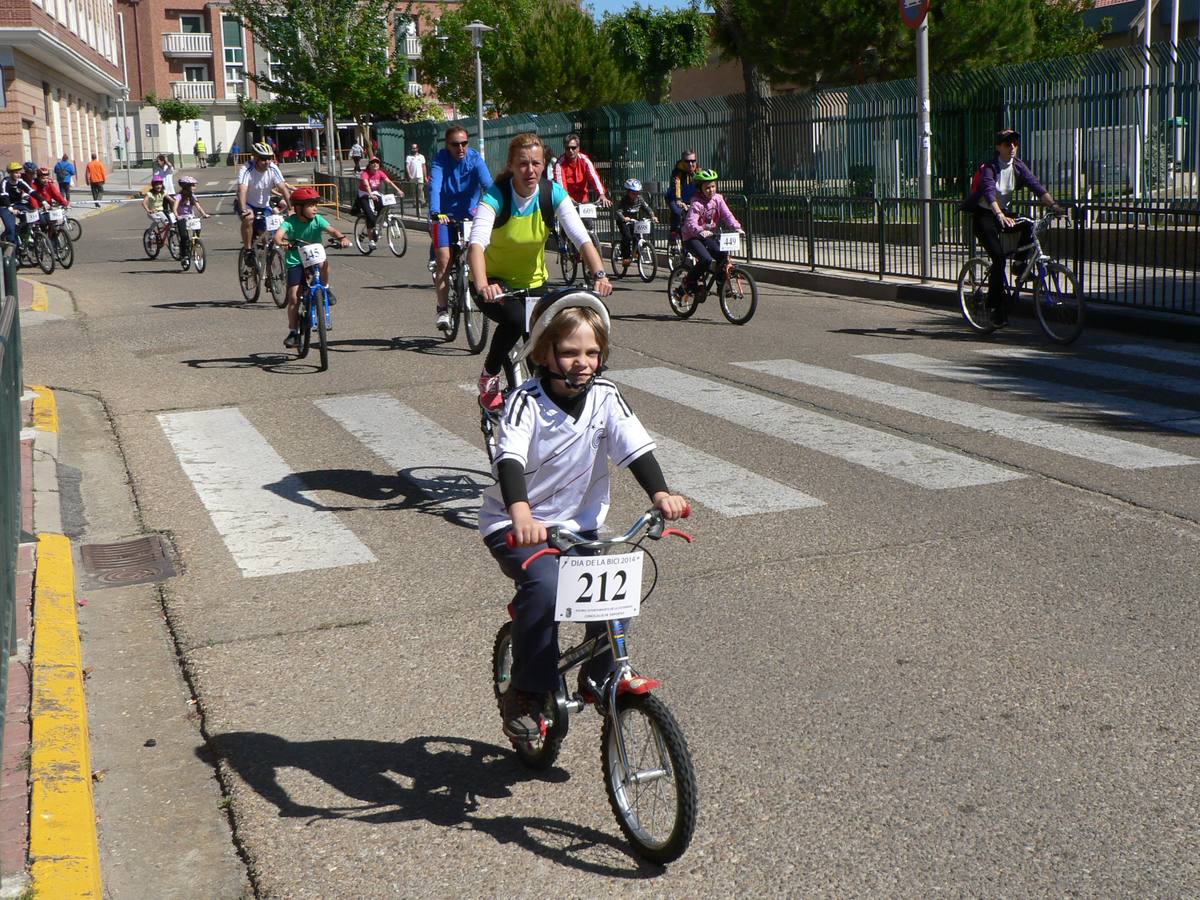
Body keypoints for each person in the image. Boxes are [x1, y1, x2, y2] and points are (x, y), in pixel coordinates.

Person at [479, 291, 689, 741]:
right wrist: (519, 512)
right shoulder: (525, 402)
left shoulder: (607, 396)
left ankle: (600, 676)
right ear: (543, 353)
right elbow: (510, 460)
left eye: (592, 352)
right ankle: (526, 691)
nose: (583, 362)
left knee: (615, 577)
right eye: (570, 352)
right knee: (547, 586)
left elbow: (635, 448)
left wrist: (661, 493)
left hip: (577, 525)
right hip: (517, 525)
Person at [468, 132, 611, 412]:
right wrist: (484, 284)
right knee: (515, 319)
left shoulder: (551, 193)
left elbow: (580, 237)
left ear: (544, 164)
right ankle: (489, 375)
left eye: (536, 163)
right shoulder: (497, 196)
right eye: (523, 164)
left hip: (534, 283)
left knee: (545, 349)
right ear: (510, 165)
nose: (530, 170)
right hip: (495, 283)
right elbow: (477, 243)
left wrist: (599, 274)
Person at [964, 129, 1063, 327]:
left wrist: (1054, 206)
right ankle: (994, 308)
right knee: (999, 258)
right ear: (998, 147)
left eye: (1015, 143)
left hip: (1003, 213)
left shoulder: (1018, 166)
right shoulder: (990, 168)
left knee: (1029, 225)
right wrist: (999, 214)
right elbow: (989, 192)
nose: (1012, 147)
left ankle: (1019, 265)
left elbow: (1036, 186)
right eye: (1007, 144)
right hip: (985, 215)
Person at [430, 125, 493, 333]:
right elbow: (435, 186)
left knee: (480, 252)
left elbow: (488, 184)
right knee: (444, 261)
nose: (460, 148)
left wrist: (496, 205)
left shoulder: (474, 159)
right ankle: (442, 310)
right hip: (444, 216)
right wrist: (436, 211)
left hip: (470, 216)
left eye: (464, 143)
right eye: (455, 144)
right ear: (447, 146)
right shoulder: (440, 160)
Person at [274, 186, 349, 349]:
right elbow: (278, 236)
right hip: (296, 260)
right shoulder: (290, 222)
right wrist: (283, 242)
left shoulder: (318, 220)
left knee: (324, 264)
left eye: (316, 204)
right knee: (294, 296)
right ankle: (293, 332)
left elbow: (332, 230)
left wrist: (342, 238)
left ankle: (326, 289)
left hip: (314, 257)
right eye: (310, 205)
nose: (315, 208)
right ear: (299, 208)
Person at [676, 169, 742, 302]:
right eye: (707, 188)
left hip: (707, 235)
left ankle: (720, 284)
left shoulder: (718, 199)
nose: (711, 190)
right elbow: (690, 223)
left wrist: (737, 227)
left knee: (722, 254)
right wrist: (700, 231)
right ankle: (688, 282)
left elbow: (727, 215)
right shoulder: (696, 202)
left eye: (713, 186)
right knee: (706, 260)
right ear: (700, 189)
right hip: (692, 237)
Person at [237, 142, 291, 252]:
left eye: (269, 158)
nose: (267, 162)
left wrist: (292, 208)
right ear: (255, 157)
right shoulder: (247, 169)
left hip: (264, 205)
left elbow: (283, 188)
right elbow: (242, 190)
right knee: (249, 218)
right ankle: (247, 251)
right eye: (263, 159)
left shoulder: (273, 168)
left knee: (267, 238)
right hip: (248, 203)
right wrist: (243, 209)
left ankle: (267, 261)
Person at [356, 157, 403, 248]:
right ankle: (371, 241)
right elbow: (366, 184)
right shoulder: (365, 174)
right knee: (370, 217)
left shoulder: (380, 173)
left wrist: (398, 190)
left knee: (384, 206)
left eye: (377, 163)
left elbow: (389, 182)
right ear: (369, 165)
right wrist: (370, 194)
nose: (375, 164)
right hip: (364, 195)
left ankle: (377, 224)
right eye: (373, 163)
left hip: (375, 194)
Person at [167, 175, 210, 270]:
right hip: (181, 218)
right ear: (186, 187)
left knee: (196, 233)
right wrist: (177, 215)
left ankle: (195, 244)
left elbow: (198, 207)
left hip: (191, 218)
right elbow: (174, 207)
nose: (194, 187)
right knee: (184, 237)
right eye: (193, 185)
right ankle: (184, 255)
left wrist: (204, 214)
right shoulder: (179, 196)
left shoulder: (192, 196)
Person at [613, 178, 658, 266]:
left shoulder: (640, 199)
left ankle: (636, 253)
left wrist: (653, 216)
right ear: (628, 192)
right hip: (623, 221)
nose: (635, 194)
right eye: (633, 192)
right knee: (627, 236)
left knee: (637, 236)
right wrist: (624, 218)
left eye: (637, 192)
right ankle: (625, 257)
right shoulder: (623, 200)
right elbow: (618, 212)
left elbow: (647, 208)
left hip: (634, 221)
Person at [666, 149, 699, 232]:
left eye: (693, 161)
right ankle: (673, 233)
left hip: (690, 198)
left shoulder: (699, 171)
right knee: (678, 212)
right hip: (674, 197)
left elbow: (702, 187)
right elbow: (676, 186)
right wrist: (679, 200)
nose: (691, 164)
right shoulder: (677, 172)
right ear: (682, 162)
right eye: (687, 161)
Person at [0, 162, 32, 244]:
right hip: (5, 206)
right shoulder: (5, 182)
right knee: (10, 229)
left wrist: (44, 202)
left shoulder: (20, 181)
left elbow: (31, 191)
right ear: (10, 173)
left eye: (19, 172)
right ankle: (12, 250)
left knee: (30, 217)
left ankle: (21, 236)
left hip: (17, 204)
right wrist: (10, 208)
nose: (18, 175)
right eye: (15, 173)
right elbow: (4, 196)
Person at [404, 143, 427, 215]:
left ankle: (422, 202)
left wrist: (425, 176)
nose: (413, 149)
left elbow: (424, 166)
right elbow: (407, 166)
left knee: (420, 189)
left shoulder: (421, 157)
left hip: (420, 176)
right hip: (413, 176)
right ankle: (415, 202)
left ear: (417, 149)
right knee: (414, 190)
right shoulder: (409, 157)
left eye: (415, 148)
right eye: (412, 148)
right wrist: (409, 175)